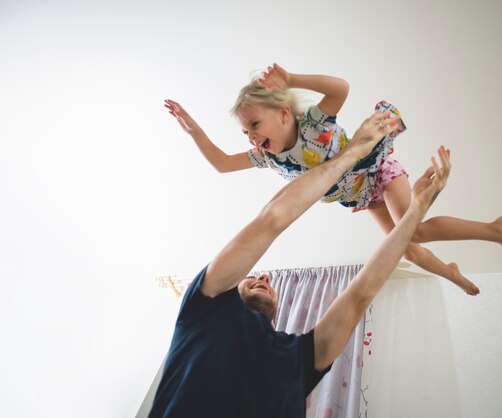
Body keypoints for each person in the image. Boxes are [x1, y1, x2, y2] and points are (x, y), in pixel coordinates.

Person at [148, 110, 451, 418]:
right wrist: (354, 152)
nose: (264, 277)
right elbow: (272, 219)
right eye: (254, 278)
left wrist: (415, 212)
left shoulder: (302, 358)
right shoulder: (204, 308)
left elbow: (361, 293)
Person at [164, 64, 502, 295]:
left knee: (411, 230)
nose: (251, 138)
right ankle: (452, 274)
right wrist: (194, 130)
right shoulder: (268, 157)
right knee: (402, 247)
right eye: (245, 132)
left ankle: (496, 229)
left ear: (284, 113)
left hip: (374, 169)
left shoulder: (314, 125)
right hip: (360, 196)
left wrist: (292, 79)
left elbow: (340, 89)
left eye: (255, 125)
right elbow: (223, 164)